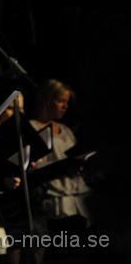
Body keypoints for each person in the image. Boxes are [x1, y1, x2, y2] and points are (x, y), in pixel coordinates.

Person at [30, 79, 92, 230]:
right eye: (60, 101)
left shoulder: (65, 130)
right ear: (47, 100)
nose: (65, 107)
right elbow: (33, 165)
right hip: (53, 198)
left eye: (67, 102)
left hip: (76, 195)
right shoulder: (33, 127)